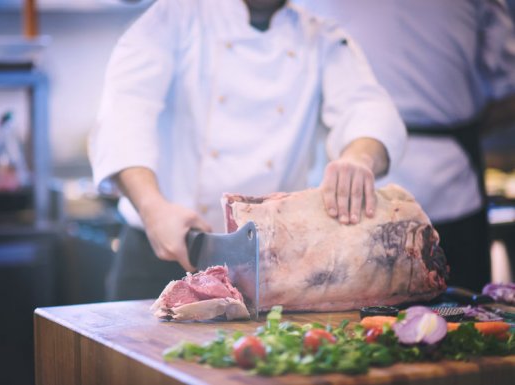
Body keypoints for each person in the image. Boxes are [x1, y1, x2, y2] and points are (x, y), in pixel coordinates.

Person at [89, 0, 406, 300]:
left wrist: (359, 157)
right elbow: (125, 110)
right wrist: (152, 207)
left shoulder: (321, 35)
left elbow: (367, 107)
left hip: (272, 265)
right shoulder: (175, 15)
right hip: (164, 251)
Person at [296, 0, 515, 291]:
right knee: (463, 318)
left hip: (387, 194)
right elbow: (508, 87)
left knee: (371, 323)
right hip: (387, 185)